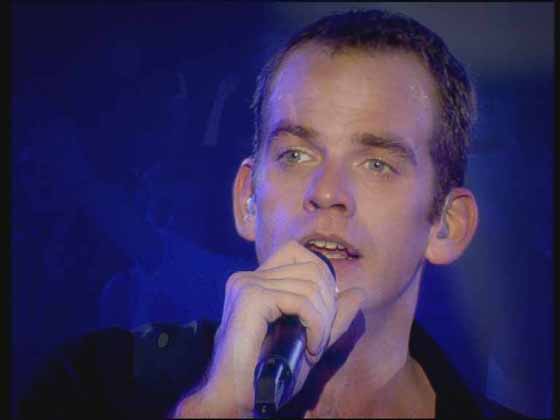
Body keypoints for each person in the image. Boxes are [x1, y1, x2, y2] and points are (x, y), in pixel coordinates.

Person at [19, 8, 526, 418]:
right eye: (295, 155)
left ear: (447, 225)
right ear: (248, 198)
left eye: (377, 164)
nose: (327, 192)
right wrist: (216, 408)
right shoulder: (94, 387)